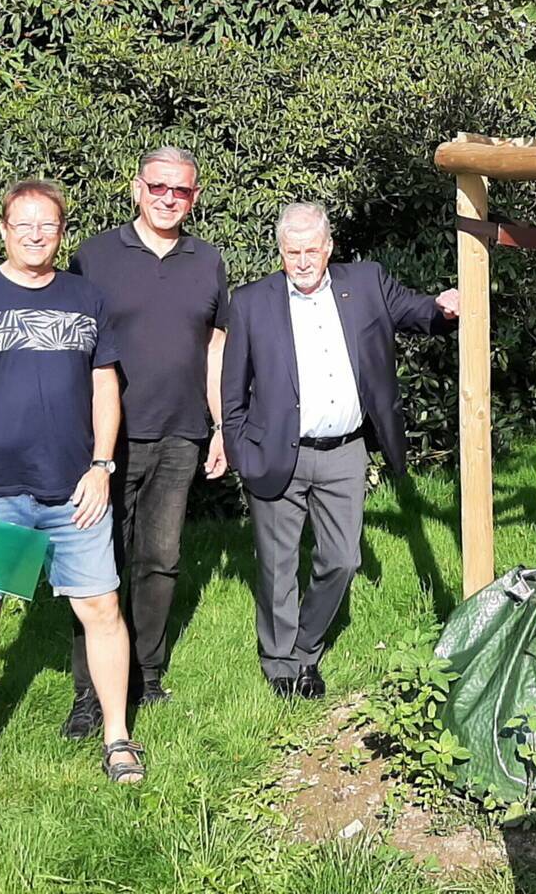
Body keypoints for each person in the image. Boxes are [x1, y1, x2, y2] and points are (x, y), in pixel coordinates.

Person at [0, 180, 145, 801]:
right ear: (2, 228)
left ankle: (118, 737)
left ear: (61, 231)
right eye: (23, 224)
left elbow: (107, 388)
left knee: (101, 609)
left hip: (74, 493)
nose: (35, 235)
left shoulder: (86, 299)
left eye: (47, 225)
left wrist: (101, 467)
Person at [221, 202, 460, 698]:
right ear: (281, 252)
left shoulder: (367, 283)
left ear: (328, 247)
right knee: (276, 566)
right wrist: (242, 452)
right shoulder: (250, 302)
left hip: (345, 453)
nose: (303, 261)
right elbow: (232, 391)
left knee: (342, 558)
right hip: (276, 452)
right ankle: (281, 661)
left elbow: (418, 313)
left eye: (312, 250)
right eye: (293, 252)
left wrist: (444, 307)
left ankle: (307, 646)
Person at [60, 146, 230, 732]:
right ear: (137, 188)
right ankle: (88, 694)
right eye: (158, 187)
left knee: (160, 560)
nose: (168, 199)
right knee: (96, 565)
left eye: (180, 191)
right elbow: (71, 349)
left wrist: (220, 425)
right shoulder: (95, 256)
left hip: (181, 434)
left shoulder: (208, 261)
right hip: (108, 440)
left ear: (195, 196)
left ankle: (146, 674)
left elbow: (214, 349)